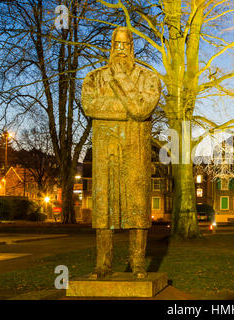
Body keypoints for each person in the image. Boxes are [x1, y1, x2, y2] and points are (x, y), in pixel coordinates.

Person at [82, 26, 161, 279]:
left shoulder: (148, 79)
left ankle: (137, 264)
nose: (119, 50)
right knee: (103, 208)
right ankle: (102, 264)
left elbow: (142, 109)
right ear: (110, 46)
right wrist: (128, 108)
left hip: (135, 150)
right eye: (115, 44)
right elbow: (90, 106)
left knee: (137, 207)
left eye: (124, 45)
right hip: (105, 151)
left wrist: (120, 85)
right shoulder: (93, 78)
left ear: (132, 48)